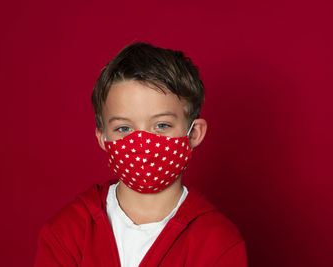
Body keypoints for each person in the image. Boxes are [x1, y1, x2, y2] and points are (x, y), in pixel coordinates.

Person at [34, 42, 248, 266]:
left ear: (193, 133)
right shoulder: (67, 232)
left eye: (162, 125)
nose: (142, 143)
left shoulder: (218, 243)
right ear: (103, 138)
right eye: (124, 128)